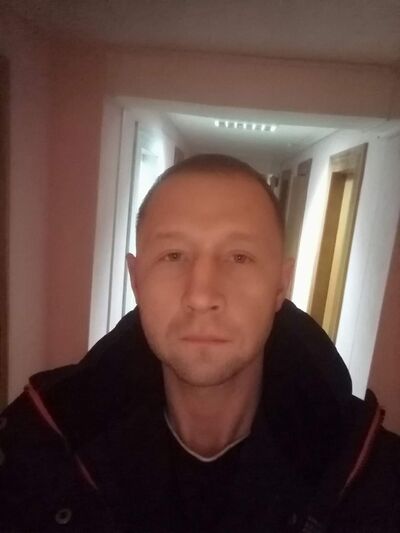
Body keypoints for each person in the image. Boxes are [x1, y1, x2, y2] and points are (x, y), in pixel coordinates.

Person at [0, 154, 399, 532]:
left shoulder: (378, 479)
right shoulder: (32, 449)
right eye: (174, 255)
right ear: (136, 280)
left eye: (239, 257)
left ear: (281, 284)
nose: (202, 295)